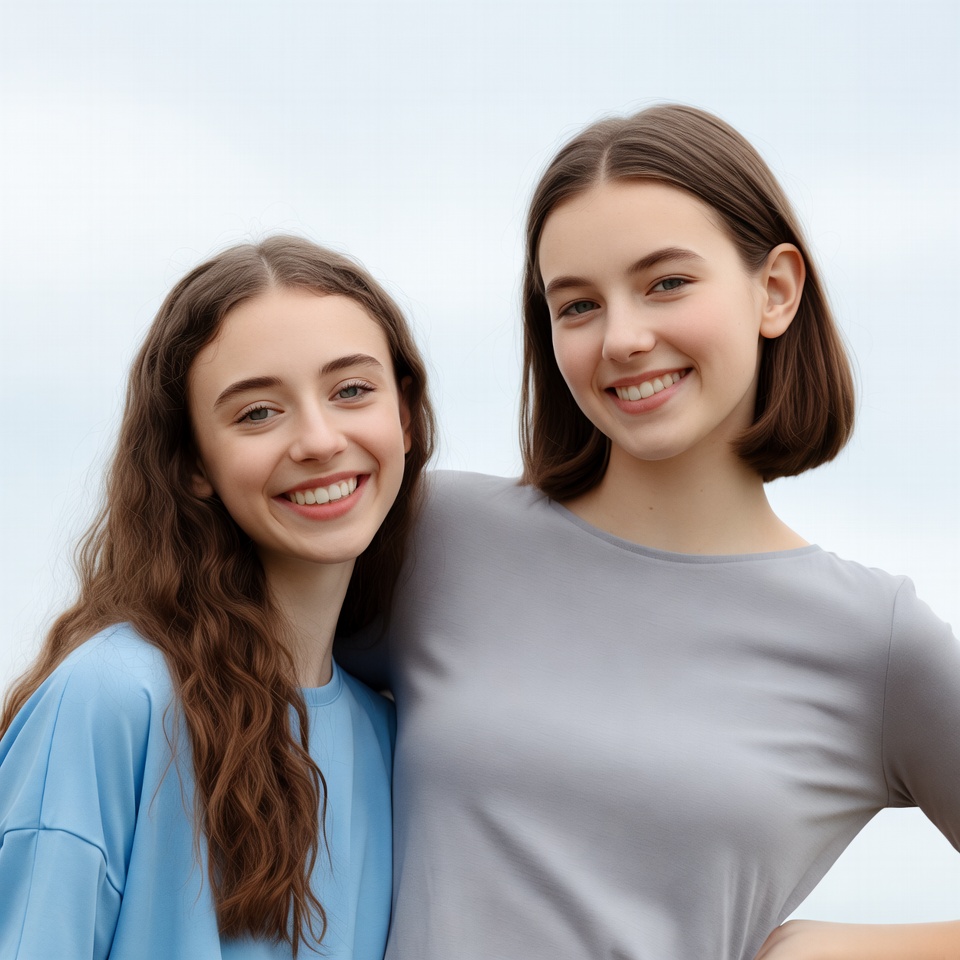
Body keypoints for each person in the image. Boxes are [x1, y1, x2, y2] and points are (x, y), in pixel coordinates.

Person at [341, 105, 960, 959]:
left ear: (775, 290)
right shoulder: (433, 535)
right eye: (578, 305)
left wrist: (829, 953)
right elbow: (210, 663)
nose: (624, 338)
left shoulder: (877, 644)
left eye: (667, 283)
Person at [0, 235, 435, 959]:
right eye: (259, 413)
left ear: (406, 418)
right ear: (193, 463)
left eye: (352, 390)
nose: (320, 440)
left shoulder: (387, 737)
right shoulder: (111, 699)